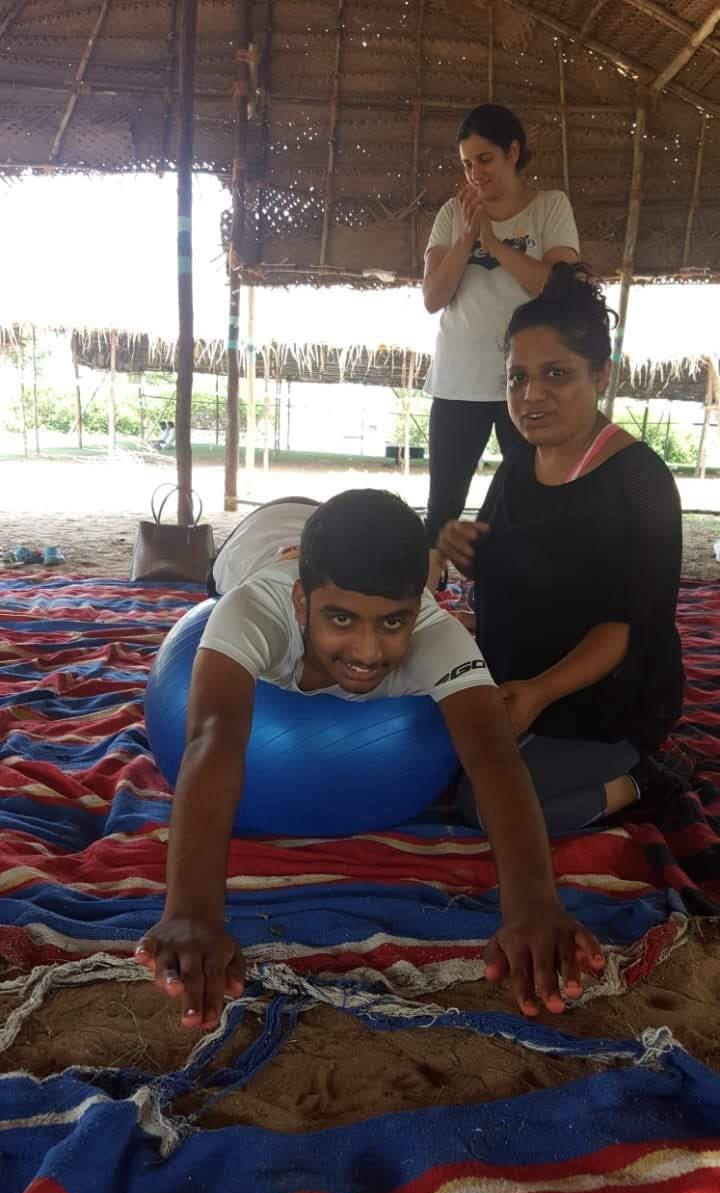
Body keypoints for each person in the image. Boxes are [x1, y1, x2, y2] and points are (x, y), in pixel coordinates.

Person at [135, 490, 605, 1029]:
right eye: (341, 618)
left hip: (326, 536)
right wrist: (191, 912)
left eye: (393, 623)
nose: (367, 651)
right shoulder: (253, 610)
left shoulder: (437, 633)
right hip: (260, 538)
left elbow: (494, 755)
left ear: (417, 608)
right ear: (301, 604)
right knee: (223, 590)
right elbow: (213, 740)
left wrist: (533, 906)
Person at [438, 264, 685, 835]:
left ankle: (642, 779)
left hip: (601, 699)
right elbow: (499, 560)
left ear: (601, 374)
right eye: (517, 378)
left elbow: (632, 627)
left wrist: (538, 694)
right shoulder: (520, 462)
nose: (531, 396)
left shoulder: (639, 482)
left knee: (485, 807)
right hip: (518, 681)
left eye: (556, 374)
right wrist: (464, 548)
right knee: (432, 765)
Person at [423, 103, 579, 578]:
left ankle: (508, 590)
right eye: (467, 164)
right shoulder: (453, 214)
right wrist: (468, 237)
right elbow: (433, 297)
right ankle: (425, 598)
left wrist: (492, 244)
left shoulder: (549, 207)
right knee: (442, 504)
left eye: (485, 159)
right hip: (458, 382)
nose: (475, 173)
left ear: (513, 152)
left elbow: (557, 287)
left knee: (524, 499)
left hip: (528, 386)